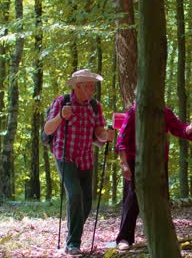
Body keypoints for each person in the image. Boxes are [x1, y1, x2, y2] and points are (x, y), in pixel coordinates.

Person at [44, 69, 114, 255]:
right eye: (89, 86)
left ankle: (72, 231)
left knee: (87, 202)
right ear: (77, 87)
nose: (92, 90)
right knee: (75, 195)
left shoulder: (95, 106)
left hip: (85, 157)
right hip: (64, 155)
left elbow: (98, 132)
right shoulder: (62, 102)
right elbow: (48, 129)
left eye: (93, 86)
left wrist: (106, 136)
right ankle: (73, 243)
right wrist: (61, 116)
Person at [115, 101, 192, 250]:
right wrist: (124, 164)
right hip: (136, 161)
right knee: (132, 199)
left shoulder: (164, 111)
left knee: (161, 198)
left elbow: (178, 128)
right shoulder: (134, 112)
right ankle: (124, 238)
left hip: (159, 161)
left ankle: (163, 237)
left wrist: (188, 129)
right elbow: (121, 140)